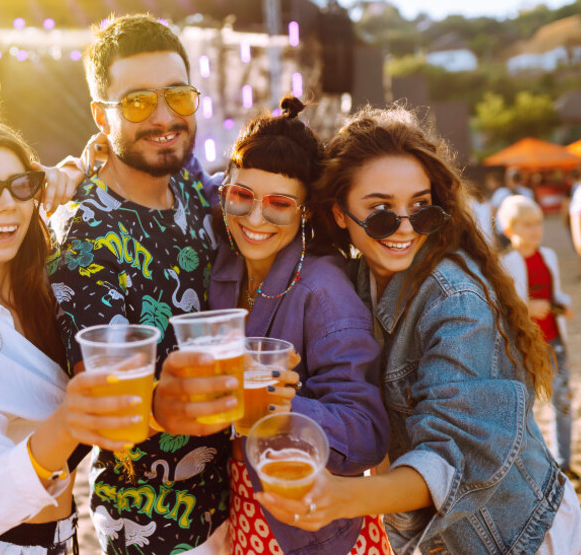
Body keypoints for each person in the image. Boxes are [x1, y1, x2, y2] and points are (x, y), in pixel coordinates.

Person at [260, 105, 581, 554]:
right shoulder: (352, 282)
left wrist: (342, 499)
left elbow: (454, 456)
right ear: (338, 214)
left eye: (421, 209)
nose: (405, 229)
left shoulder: (454, 299)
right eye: (381, 213)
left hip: (521, 534)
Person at [49, 14, 235, 554]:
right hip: (157, 526)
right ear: (100, 116)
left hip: (244, 505)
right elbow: (108, 406)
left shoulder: (194, 188)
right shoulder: (84, 232)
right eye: (135, 103)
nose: (163, 118)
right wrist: (165, 405)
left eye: (177, 97)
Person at [0, 117, 136, 554]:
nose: (7, 205)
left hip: (63, 537)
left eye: (20, 186)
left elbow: (97, 159)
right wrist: (73, 419)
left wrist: (67, 173)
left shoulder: (48, 288)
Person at [207, 97, 391, 555]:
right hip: (247, 503)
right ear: (225, 189)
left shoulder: (323, 293)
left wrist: (286, 409)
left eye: (279, 205)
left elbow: (367, 431)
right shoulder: (227, 261)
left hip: (316, 528)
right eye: (242, 196)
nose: (254, 218)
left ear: (305, 212)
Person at [497, 195, 579, 484]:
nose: (535, 230)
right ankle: (529, 462)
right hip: (525, 344)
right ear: (510, 230)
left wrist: (562, 303)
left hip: (553, 339)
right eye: (527, 225)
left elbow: (553, 292)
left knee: (563, 399)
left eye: (538, 224)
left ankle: (562, 462)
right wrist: (527, 308)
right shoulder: (505, 263)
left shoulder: (549, 256)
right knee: (527, 402)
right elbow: (502, 305)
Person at [491, 167, 533, 249]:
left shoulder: (527, 192)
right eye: (514, 179)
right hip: (504, 230)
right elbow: (493, 211)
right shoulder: (501, 193)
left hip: (521, 230)